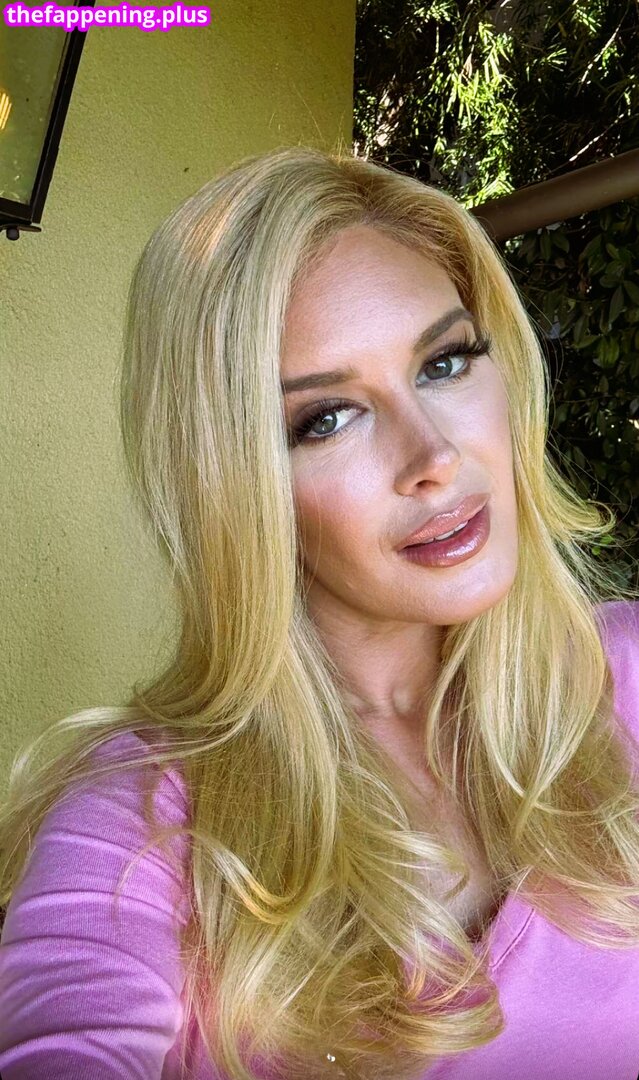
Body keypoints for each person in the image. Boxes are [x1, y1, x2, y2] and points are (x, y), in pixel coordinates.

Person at [1, 144, 639, 1080]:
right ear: (234, 486)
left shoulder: (623, 671)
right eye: (327, 418)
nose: (433, 457)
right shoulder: (143, 819)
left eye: (444, 362)